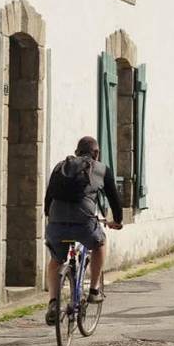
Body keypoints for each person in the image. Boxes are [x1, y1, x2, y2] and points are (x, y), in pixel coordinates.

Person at [44, 136, 123, 325]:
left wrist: (53, 218)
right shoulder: (102, 169)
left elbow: (48, 200)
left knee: (55, 261)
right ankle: (94, 289)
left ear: (77, 151)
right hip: (84, 224)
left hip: (56, 223)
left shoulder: (59, 167)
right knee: (100, 243)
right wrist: (117, 221)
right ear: (96, 153)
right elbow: (114, 200)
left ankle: (53, 302)